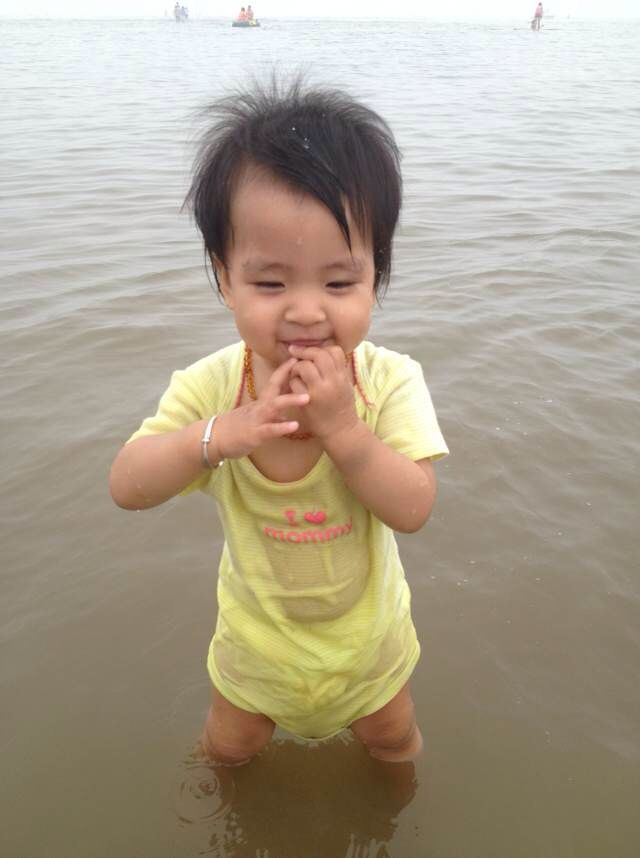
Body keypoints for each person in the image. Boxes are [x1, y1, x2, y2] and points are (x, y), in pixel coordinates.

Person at [109, 79, 449, 767]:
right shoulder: (212, 387)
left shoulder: (388, 382)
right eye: (270, 283)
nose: (305, 311)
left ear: (376, 278)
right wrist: (217, 437)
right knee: (227, 750)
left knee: (393, 743)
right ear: (224, 278)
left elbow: (413, 508)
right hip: (255, 651)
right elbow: (127, 485)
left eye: (338, 282)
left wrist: (346, 432)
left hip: (368, 648)